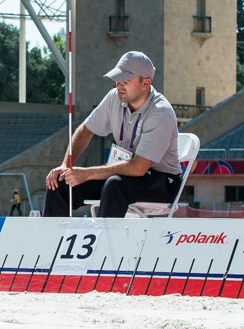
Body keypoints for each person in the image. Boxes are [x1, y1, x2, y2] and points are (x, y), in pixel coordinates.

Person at [43, 51, 180, 218]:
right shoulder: (114, 98)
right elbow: (85, 130)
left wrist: (86, 174)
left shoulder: (161, 113)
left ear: (146, 83)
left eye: (126, 81)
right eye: (117, 80)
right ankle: (54, 240)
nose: (119, 85)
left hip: (163, 181)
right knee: (60, 184)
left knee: (115, 184)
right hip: (125, 176)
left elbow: (138, 167)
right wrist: (66, 165)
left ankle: (103, 242)